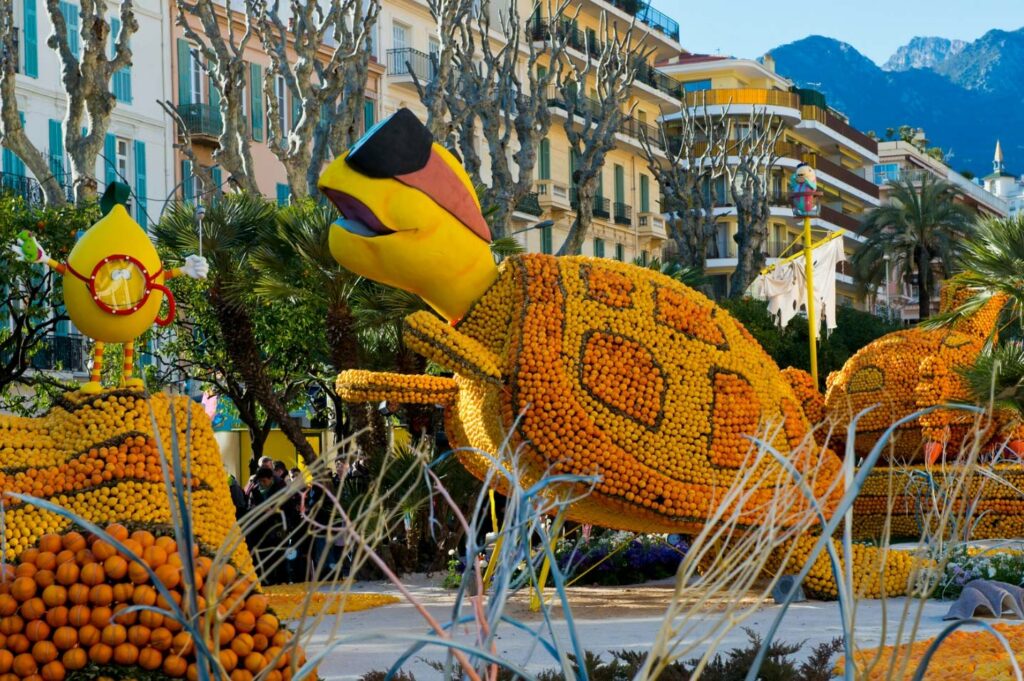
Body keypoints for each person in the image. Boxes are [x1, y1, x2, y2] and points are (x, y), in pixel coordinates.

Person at [246, 467, 287, 584]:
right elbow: (250, 506)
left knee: (278, 554)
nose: (261, 484)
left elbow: (286, 506)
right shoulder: (255, 491)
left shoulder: (279, 489)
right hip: (261, 528)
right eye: (260, 481)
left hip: (276, 527)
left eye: (264, 481)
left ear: (270, 479)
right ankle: (264, 579)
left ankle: (280, 579)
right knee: (263, 554)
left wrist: (274, 510)